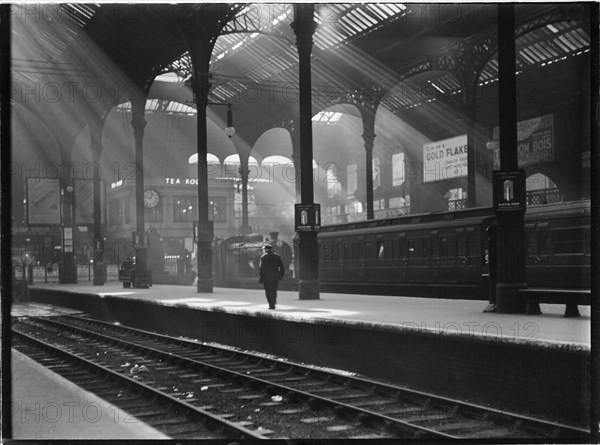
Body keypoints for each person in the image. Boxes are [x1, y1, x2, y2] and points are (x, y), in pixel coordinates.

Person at [258, 244, 285, 309]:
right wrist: (281, 275)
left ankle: (271, 305)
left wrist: (261, 277)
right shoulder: (277, 256)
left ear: (267, 249)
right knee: (274, 290)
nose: (263, 250)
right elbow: (282, 267)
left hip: (267, 277)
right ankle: (274, 301)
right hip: (275, 277)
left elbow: (262, 268)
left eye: (264, 249)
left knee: (268, 291)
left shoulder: (264, 257)